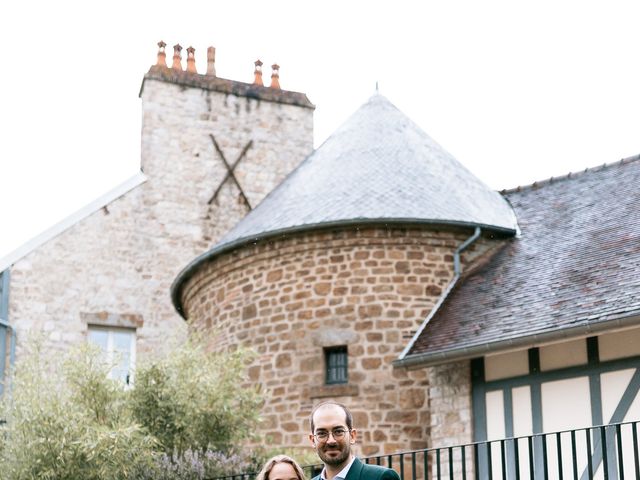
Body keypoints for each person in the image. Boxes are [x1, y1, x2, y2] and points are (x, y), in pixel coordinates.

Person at [308, 401, 401, 480]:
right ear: (312, 440)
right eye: (322, 433)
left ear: (352, 436)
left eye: (338, 431)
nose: (331, 441)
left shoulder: (381, 477)